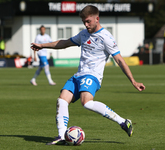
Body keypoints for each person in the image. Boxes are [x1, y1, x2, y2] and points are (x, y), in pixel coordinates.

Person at [31, 5, 145, 145]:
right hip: (78, 75)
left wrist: (133, 81)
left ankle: (123, 122)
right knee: (61, 100)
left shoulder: (106, 37)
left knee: (86, 103)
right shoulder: (83, 34)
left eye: (88, 21)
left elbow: (120, 60)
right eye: (84, 22)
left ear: (97, 19)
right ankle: (61, 136)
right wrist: (43, 46)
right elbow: (65, 42)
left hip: (92, 76)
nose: (86, 24)